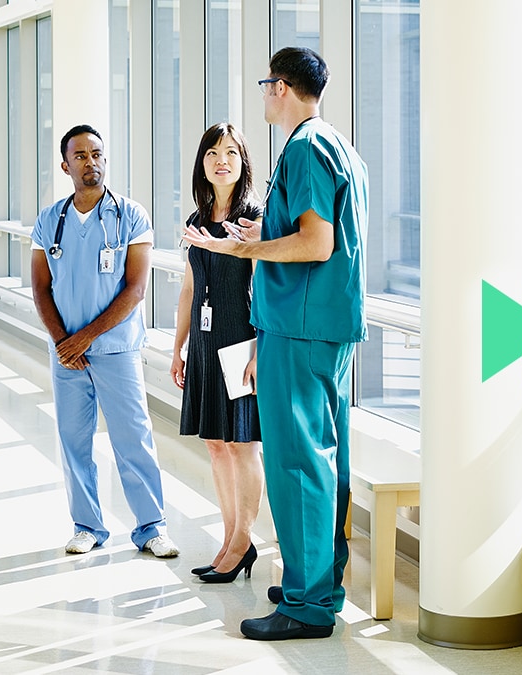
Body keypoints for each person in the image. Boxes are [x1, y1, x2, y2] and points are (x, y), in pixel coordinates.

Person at [183, 47, 368, 641]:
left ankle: (306, 603)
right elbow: (316, 232)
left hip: (300, 326)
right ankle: (321, 583)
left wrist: (247, 249)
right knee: (324, 459)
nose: (264, 93)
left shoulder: (306, 148)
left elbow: (316, 244)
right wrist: (268, 233)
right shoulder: (338, 145)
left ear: (281, 88)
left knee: (297, 464)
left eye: (267, 84)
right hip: (325, 326)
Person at [30, 124, 179, 559]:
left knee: (133, 437)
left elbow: (135, 290)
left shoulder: (130, 215)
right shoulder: (48, 220)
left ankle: (152, 526)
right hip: (67, 355)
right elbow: (41, 288)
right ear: (65, 165)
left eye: (97, 154)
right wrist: (63, 342)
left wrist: (85, 339)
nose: (90, 162)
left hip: (115, 349)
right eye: (80, 156)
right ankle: (87, 526)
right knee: (73, 441)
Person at [170, 123, 265, 583]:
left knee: (242, 444)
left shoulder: (254, 218)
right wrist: (179, 346)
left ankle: (244, 540)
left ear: (243, 161)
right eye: (212, 152)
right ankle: (229, 539)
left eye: (230, 152)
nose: (220, 160)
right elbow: (189, 286)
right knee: (215, 444)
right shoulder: (197, 220)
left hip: (241, 339)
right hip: (206, 341)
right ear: (201, 163)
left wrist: (259, 351)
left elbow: (270, 287)